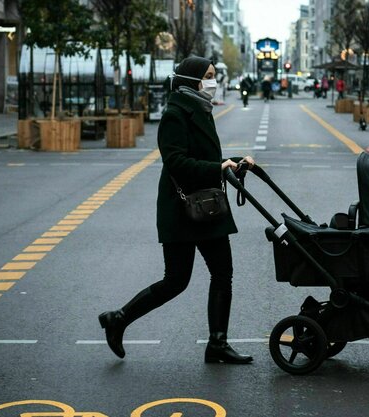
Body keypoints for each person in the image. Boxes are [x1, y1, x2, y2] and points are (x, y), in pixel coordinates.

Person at [98, 56, 255, 364]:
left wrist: (233, 163)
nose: (212, 81)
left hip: (207, 207)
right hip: (182, 209)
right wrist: (216, 167)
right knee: (176, 281)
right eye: (208, 76)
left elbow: (204, 158)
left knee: (223, 274)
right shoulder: (176, 113)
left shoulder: (200, 108)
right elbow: (176, 162)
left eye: (213, 75)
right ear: (192, 80)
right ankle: (118, 318)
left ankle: (217, 344)